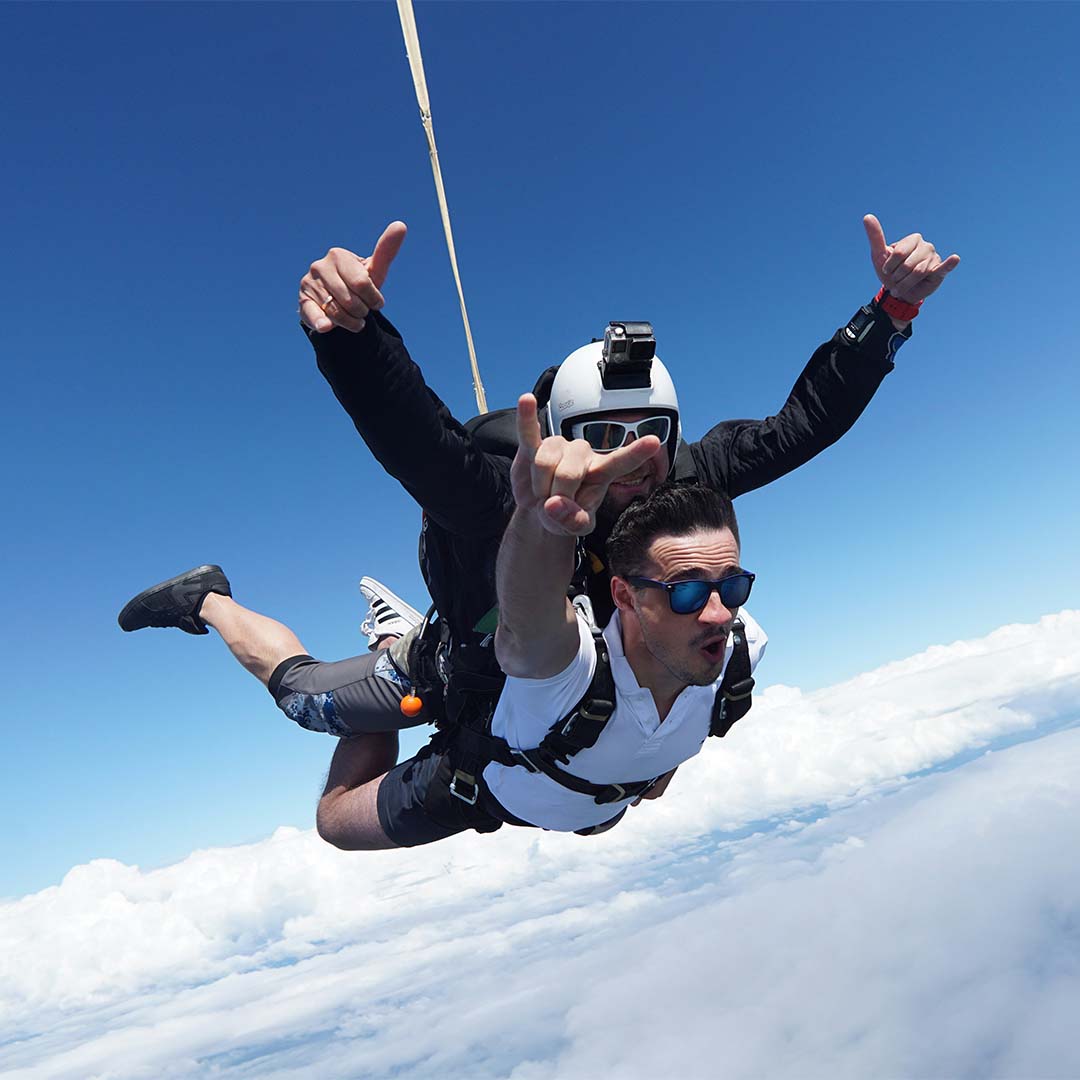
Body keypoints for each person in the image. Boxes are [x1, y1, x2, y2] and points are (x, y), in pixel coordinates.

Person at [314, 396, 767, 847]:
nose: (719, 613)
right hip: (482, 781)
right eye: (686, 592)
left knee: (642, 788)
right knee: (331, 808)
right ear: (624, 596)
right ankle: (389, 642)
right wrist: (349, 340)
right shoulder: (569, 666)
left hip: (577, 795)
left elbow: (795, 431)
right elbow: (536, 609)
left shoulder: (741, 650)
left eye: (733, 588)